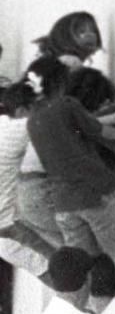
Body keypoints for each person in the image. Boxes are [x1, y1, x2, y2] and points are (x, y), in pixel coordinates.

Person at [24, 57, 115, 296]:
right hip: (94, 191)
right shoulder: (67, 104)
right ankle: (113, 309)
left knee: (78, 263)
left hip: (63, 202)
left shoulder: (34, 117)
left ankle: (84, 311)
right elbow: (99, 129)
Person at [0, 82, 55, 280]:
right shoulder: (16, 128)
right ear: (22, 110)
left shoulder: (5, 127)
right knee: (59, 267)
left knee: (56, 270)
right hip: (11, 229)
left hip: (9, 230)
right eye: (34, 108)